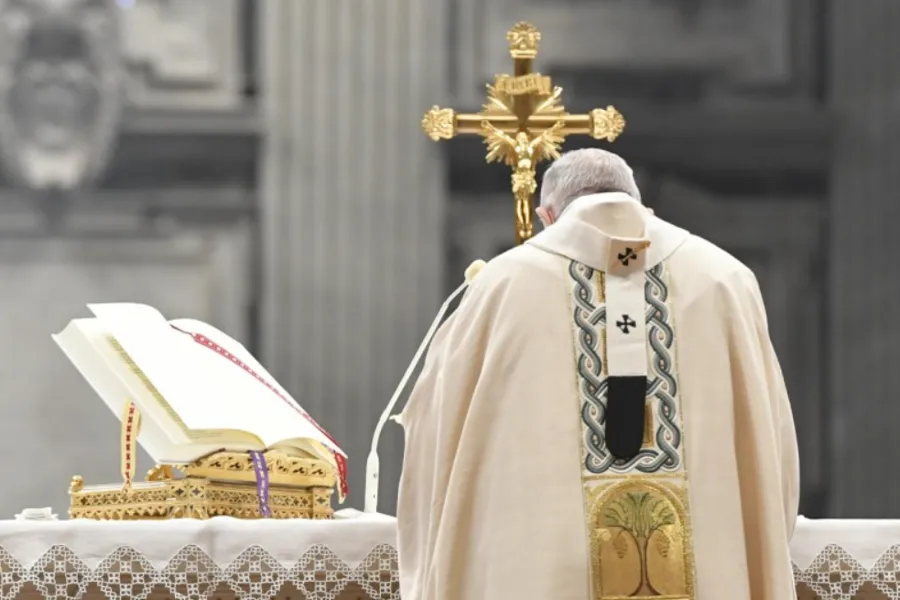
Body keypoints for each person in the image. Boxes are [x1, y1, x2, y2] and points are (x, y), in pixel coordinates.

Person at [395, 148, 800, 600]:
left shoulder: (500, 287)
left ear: (547, 215)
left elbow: (437, 438)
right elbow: (774, 448)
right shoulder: (727, 280)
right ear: (644, 206)